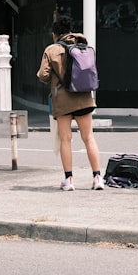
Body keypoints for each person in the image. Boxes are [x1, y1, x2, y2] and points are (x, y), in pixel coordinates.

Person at [37, 15, 103, 191]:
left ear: (54, 34)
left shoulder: (51, 50)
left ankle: (69, 180)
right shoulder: (83, 45)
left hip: (63, 100)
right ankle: (97, 178)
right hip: (84, 97)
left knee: (66, 139)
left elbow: (43, 75)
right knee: (88, 137)